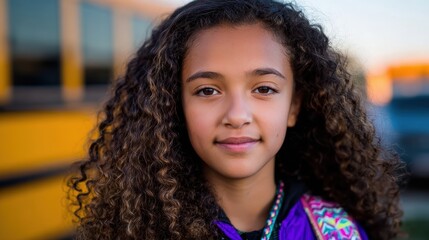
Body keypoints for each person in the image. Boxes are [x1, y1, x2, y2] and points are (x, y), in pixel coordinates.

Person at [68, 0, 405, 239]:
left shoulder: (336, 233)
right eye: (207, 91)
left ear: (294, 107)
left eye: (264, 88)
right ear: (175, 106)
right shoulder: (137, 230)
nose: (237, 115)